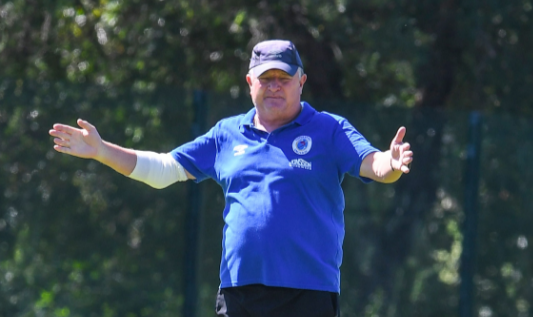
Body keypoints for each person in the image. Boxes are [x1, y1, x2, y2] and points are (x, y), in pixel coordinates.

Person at [49, 39, 413, 317]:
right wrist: (100, 150)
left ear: (301, 82)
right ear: (249, 82)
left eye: (283, 78)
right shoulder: (227, 134)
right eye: (265, 78)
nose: (274, 86)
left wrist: (392, 163)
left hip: (309, 291)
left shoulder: (330, 129)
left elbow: (374, 166)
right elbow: (162, 171)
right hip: (240, 292)